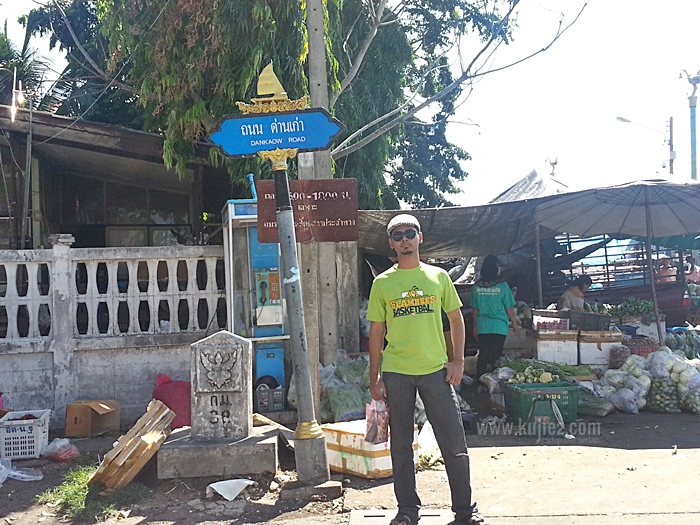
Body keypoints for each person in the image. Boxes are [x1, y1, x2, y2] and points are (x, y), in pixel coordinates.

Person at [367, 214, 487, 525]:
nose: (404, 239)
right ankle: (407, 510)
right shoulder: (383, 283)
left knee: (454, 443)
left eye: (409, 233)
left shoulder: (438, 277)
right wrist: (374, 376)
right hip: (397, 372)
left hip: (436, 371)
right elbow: (377, 331)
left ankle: (465, 512)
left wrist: (457, 361)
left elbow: (456, 319)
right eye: (397, 235)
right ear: (391, 243)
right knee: (400, 446)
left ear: (420, 237)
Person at [470, 255, 521, 378]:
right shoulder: (502, 286)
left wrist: (475, 326)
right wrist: (514, 324)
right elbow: (509, 308)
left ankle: (480, 381)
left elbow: (475, 309)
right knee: (496, 356)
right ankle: (495, 381)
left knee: (483, 354)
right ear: (494, 268)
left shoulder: (477, 287)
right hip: (499, 326)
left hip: (483, 326)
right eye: (498, 266)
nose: (499, 269)